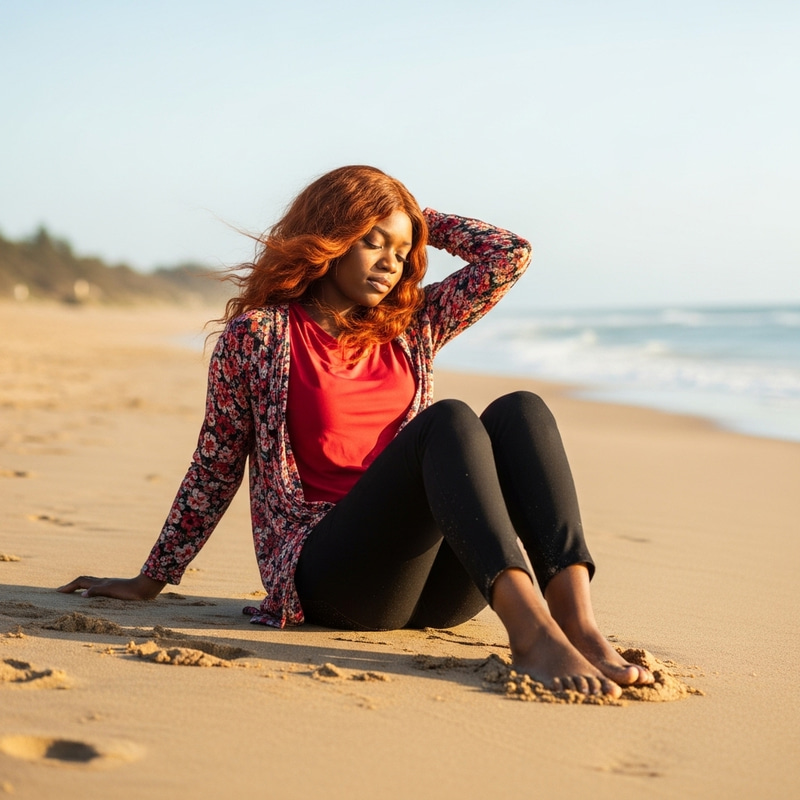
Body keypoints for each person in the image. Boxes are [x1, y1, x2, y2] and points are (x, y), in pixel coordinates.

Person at [58, 165, 653, 698]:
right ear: (329, 238)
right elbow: (214, 466)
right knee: (446, 421)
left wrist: (416, 218)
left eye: (402, 249)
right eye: (372, 240)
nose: (391, 261)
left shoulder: (414, 327)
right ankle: (531, 637)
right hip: (333, 577)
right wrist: (150, 579)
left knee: (520, 409)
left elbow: (510, 255)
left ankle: (576, 624)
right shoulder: (259, 338)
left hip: (441, 590)